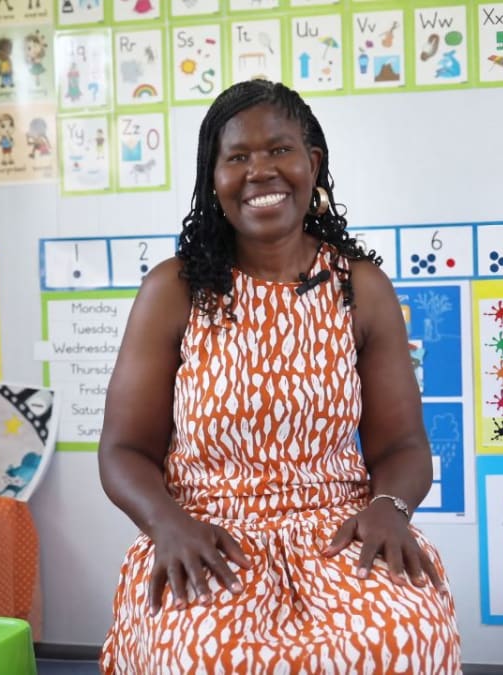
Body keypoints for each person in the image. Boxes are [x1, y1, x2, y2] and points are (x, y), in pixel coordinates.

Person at [97, 80, 460, 673]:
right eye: (237, 157)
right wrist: (167, 523)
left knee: (409, 634)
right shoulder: (174, 290)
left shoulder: (360, 288)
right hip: (207, 535)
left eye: (279, 150)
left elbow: (405, 445)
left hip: (340, 532)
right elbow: (123, 450)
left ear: (311, 163)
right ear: (212, 179)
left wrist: (390, 506)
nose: (260, 171)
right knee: (200, 656)